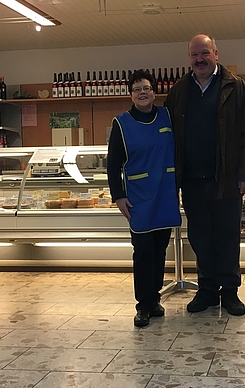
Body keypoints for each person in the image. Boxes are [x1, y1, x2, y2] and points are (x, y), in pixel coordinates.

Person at [165, 34, 245, 316]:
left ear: (216, 54)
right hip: (192, 181)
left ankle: (230, 292)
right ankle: (206, 290)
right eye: (194, 55)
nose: (199, 59)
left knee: (228, 236)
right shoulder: (180, 90)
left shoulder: (236, 87)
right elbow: (169, 135)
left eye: (204, 53)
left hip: (227, 179)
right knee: (200, 238)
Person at [107, 69, 181, 327]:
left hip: (165, 194)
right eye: (137, 89)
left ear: (154, 92)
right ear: (131, 94)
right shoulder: (121, 123)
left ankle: (155, 299)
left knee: (160, 249)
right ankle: (143, 305)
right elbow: (113, 164)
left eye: (146, 88)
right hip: (138, 198)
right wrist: (118, 196)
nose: (142, 93)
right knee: (143, 251)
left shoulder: (167, 116)